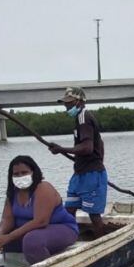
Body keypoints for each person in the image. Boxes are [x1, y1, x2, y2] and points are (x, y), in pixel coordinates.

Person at [0, 155, 80, 267]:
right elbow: (7, 219)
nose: (20, 176)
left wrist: (9, 237)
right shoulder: (13, 192)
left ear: (33, 172)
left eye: (24, 172)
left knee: (32, 241)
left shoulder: (43, 187)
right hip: (27, 232)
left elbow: (41, 221)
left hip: (61, 229)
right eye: (16, 174)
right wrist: (0, 236)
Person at [49, 86, 107, 238]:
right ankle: (69, 239)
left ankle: (101, 243)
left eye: (69, 102)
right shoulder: (79, 119)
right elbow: (98, 144)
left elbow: (87, 148)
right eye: (65, 102)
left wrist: (61, 149)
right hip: (80, 173)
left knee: (94, 215)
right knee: (69, 209)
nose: (66, 105)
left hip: (92, 175)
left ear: (80, 102)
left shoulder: (84, 118)